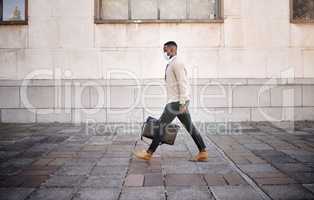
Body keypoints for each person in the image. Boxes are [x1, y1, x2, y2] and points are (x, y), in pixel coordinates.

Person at [133, 41, 208, 162]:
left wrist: (183, 103)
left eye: (165, 50)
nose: (164, 52)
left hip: (176, 103)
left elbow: (183, 84)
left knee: (160, 127)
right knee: (190, 126)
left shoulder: (177, 63)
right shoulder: (172, 63)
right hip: (176, 101)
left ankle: (149, 153)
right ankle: (203, 151)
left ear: (172, 49)